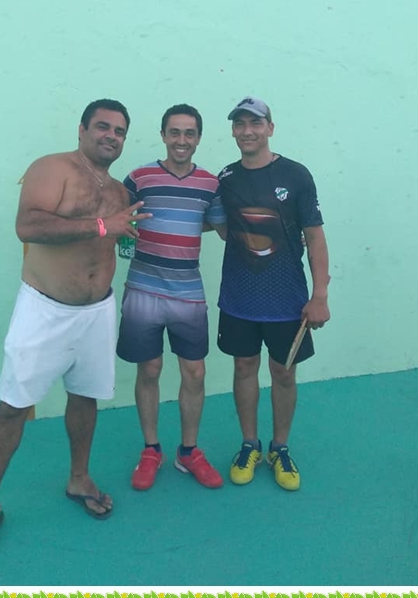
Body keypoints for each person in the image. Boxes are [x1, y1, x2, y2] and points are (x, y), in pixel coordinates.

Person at [0, 98, 152, 564]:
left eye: (120, 131)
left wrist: (128, 235)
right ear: (82, 129)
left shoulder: (120, 193)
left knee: (85, 398)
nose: (111, 136)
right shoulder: (53, 168)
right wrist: (104, 226)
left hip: (97, 311)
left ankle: (79, 478)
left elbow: (116, 241)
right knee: (12, 408)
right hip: (44, 309)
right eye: (103, 126)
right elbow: (28, 225)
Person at [217, 96, 330, 491]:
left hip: (287, 299)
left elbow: (315, 237)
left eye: (255, 123)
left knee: (283, 372)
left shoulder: (296, 175)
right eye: (240, 124)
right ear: (233, 130)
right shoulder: (226, 178)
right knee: (243, 368)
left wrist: (320, 295)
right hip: (239, 297)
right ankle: (249, 445)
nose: (247, 131)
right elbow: (221, 225)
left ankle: (280, 448)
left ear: (270, 128)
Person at [116, 104, 227, 490]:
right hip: (143, 289)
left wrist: (285, 236)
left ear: (198, 138)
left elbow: (221, 227)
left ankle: (188, 452)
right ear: (163, 135)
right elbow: (116, 220)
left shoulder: (211, 185)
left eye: (189, 133)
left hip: (188, 293)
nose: (182, 140)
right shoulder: (139, 178)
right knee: (148, 370)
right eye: (175, 132)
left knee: (195, 372)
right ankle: (151, 450)